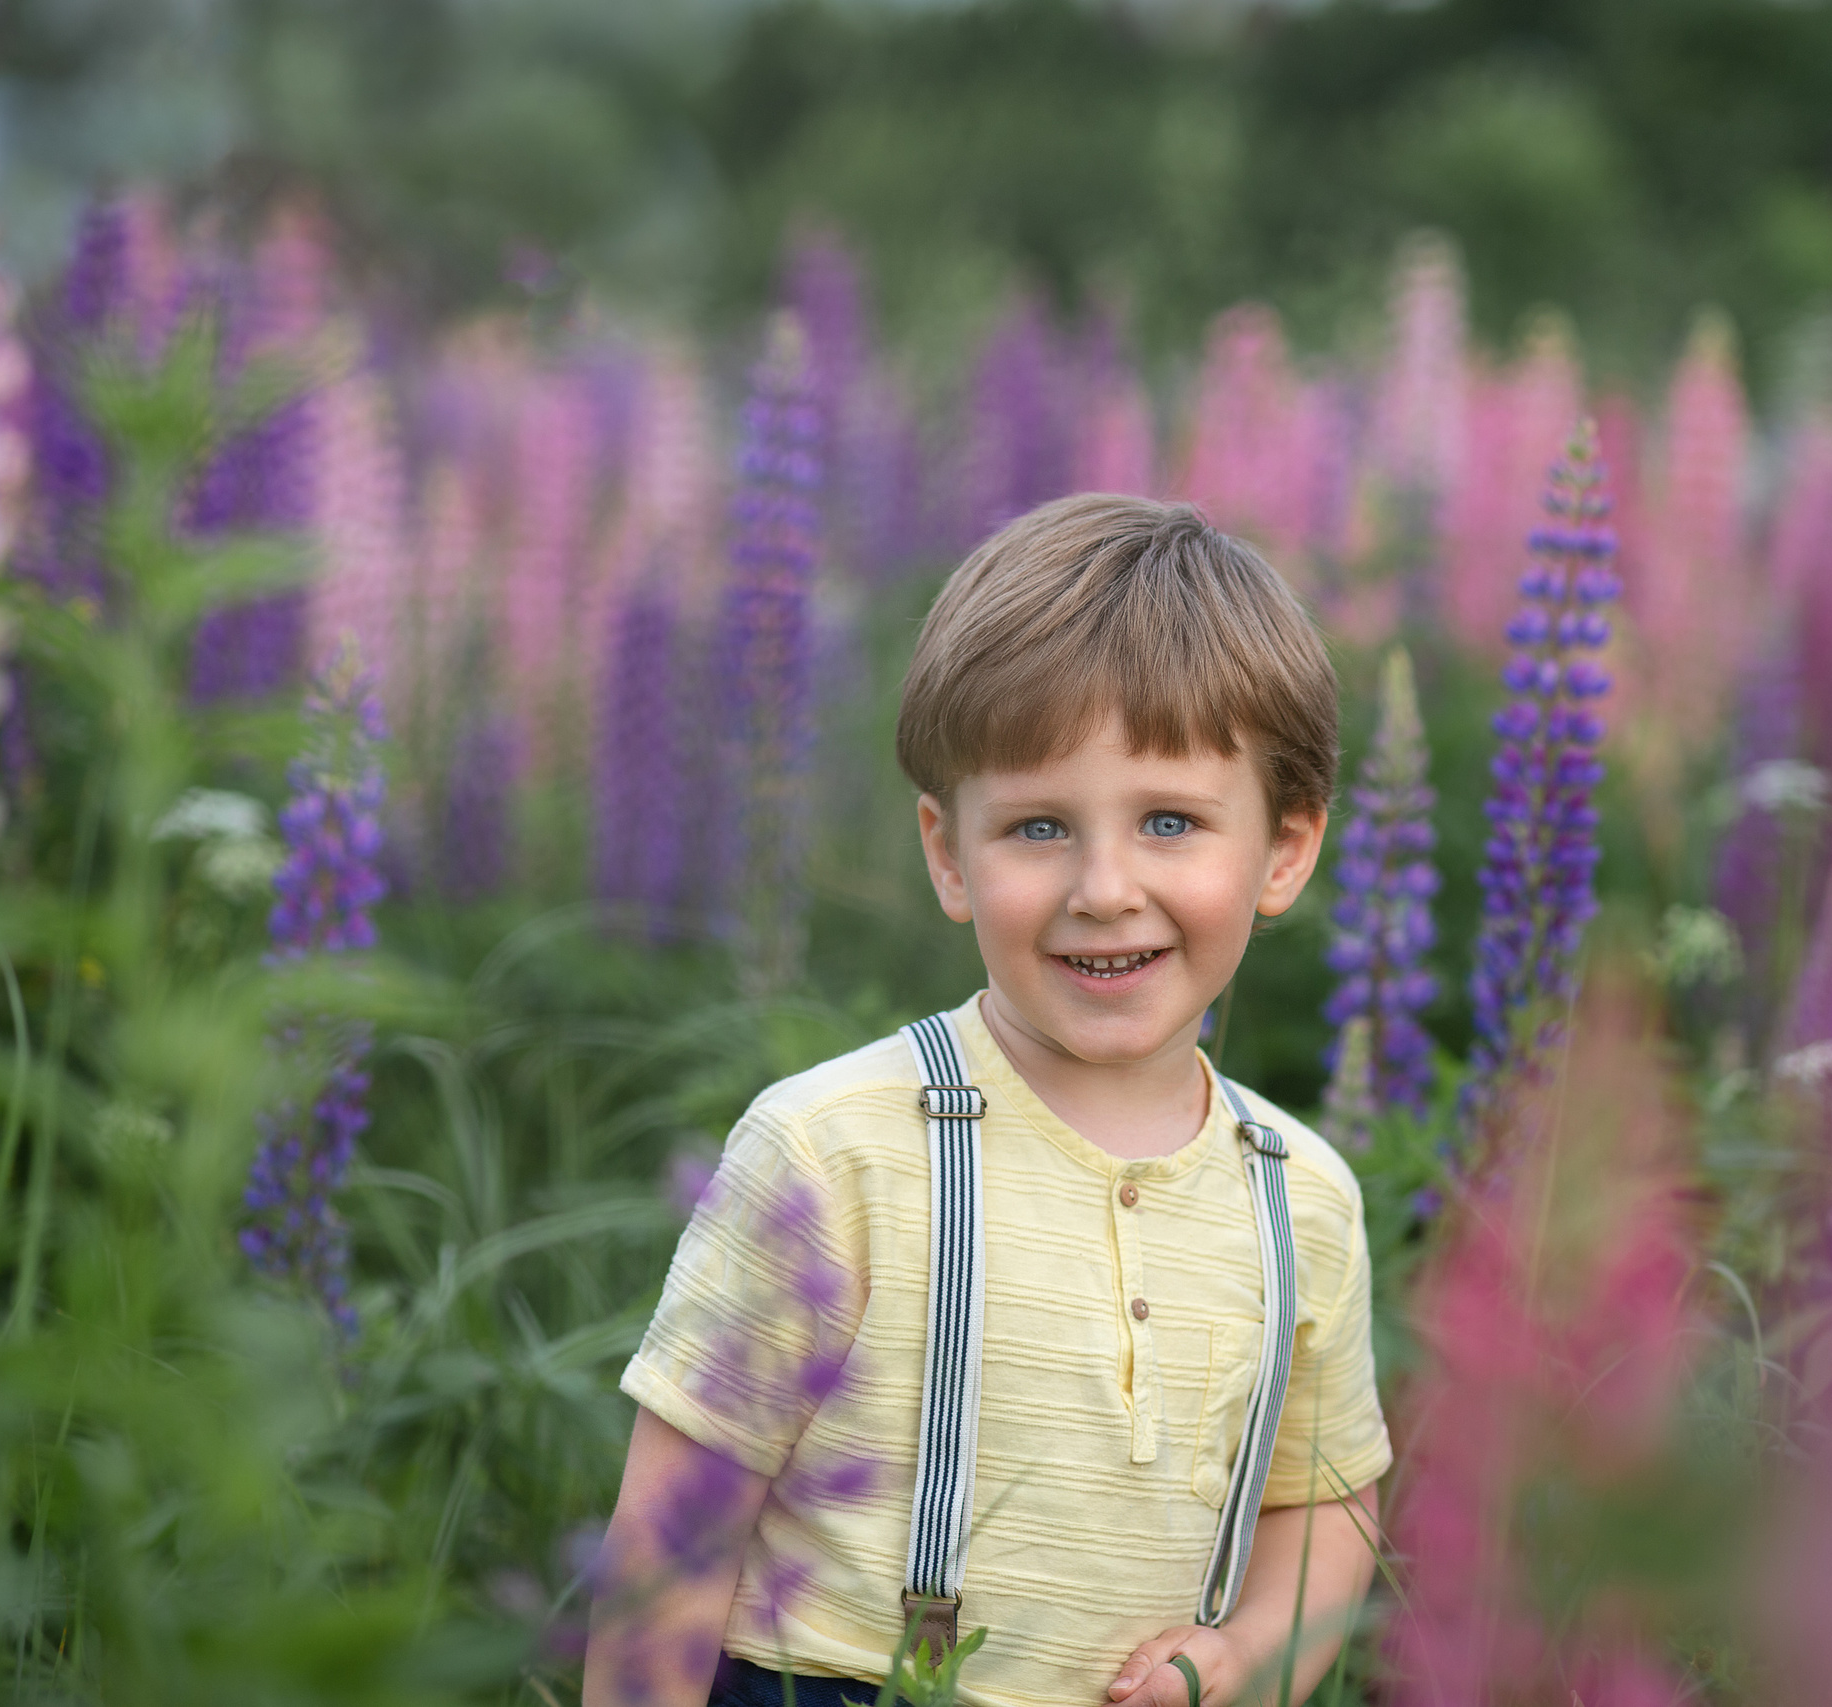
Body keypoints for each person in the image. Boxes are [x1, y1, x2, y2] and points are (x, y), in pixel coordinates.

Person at [586, 495, 1391, 1707]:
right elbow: (674, 1541)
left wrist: (1246, 1653)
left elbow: (1324, 1504)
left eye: (1169, 822)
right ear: (948, 852)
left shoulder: (1299, 1197)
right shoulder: (833, 1151)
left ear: (1282, 849)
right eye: (1038, 827)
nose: (1103, 888)